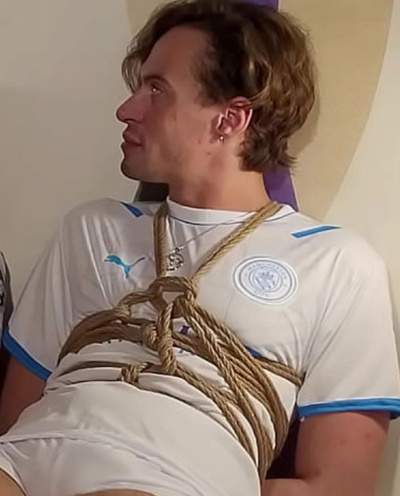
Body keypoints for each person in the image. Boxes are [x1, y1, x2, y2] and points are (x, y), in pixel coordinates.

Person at [0, 1, 399, 495]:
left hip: (171, 478)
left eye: (156, 89)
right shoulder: (91, 229)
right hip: (24, 456)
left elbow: (337, 487)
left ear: (230, 119)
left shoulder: (336, 264)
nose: (126, 110)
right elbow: (16, 412)